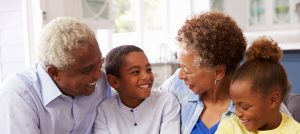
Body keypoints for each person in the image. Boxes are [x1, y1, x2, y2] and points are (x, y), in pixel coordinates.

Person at [159, 11, 291, 134]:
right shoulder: (176, 86)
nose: (181, 75)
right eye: (180, 66)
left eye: (187, 70)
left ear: (219, 72)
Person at [0, 17, 111, 133]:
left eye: (99, 63)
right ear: (54, 72)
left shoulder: (103, 80)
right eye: (88, 69)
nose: (99, 75)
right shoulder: (17, 96)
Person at [215, 36, 300, 133]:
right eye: (235, 105)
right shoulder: (230, 127)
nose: (237, 113)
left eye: (244, 107)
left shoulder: (295, 131)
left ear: (272, 100)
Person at [93, 45, 180, 134]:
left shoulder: (166, 102)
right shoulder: (105, 110)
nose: (146, 76)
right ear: (114, 82)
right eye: (135, 72)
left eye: (148, 69)